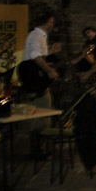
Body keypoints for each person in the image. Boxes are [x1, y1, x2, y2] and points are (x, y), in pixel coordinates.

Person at [22, 9, 62, 158]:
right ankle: (38, 149)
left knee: (43, 113)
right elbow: (35, 56)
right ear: (47, 22)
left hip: (39, 82)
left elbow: (40, 56)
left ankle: (40, 148)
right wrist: (49, 70)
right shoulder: (36, 35)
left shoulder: (40, 36)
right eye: (51, 22)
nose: (52, 24)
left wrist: (50, 52)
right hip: (36, 82)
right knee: (41, 115)